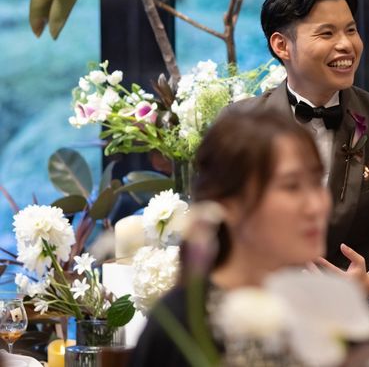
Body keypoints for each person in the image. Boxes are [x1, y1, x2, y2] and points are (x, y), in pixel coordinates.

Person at [235, 0, 369, 301]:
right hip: (271, 302)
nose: (346, 45)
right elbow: (220, 235)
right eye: (327, 33)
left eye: (351, 30)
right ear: (282, 45)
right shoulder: (242, 125)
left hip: (364, 304)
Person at [130, 108, 332, 366]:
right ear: (229, 204)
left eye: (316, 182)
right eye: (291, 186)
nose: (316, 206)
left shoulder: (317, 312)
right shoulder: (183, 325)